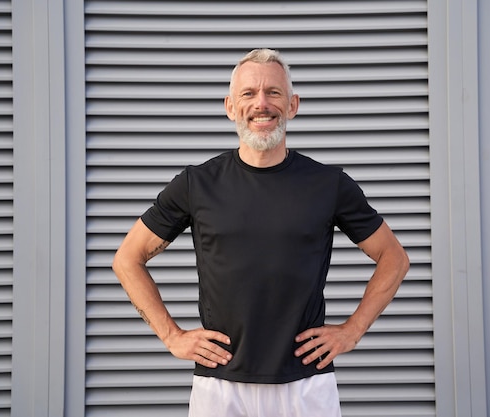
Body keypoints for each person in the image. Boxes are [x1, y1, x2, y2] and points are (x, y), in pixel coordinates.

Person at [112, 48, 410, 417]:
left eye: (273, 92)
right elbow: (127, 258)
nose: (261, 104)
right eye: (249, 94)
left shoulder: (329, 184)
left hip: (306, 383)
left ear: (293, 104)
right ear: (230, 106)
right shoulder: (196, 184)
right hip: (219, 386)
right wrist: (172, 336)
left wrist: (353, 330)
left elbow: (394, 258)